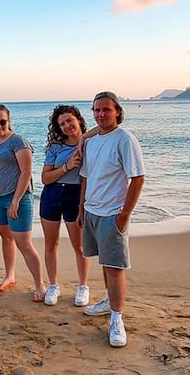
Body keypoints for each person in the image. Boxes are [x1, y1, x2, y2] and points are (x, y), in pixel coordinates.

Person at [77, 91, 145, 348]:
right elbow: (85, 176)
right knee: (105, 263)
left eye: (106, 109)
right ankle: (108, 302)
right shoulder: (92, 141)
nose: (101, 114)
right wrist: (81, 208)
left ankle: (117, 319)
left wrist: (124, 214)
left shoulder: (125, 139)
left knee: (115, 267)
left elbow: (137, 178)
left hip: (112, 213)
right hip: (92, 211)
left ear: (117, 111)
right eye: (96, 110)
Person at [0, 104, 46, 302]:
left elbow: (26, 172)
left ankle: (40, 284)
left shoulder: (18, 141)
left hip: (18, 199)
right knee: (6, 238)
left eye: (2, 121)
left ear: (8, 121)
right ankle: (9, 275)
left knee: (24, 244)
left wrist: (15, 201)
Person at [40, 105, 91, 307]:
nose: (67, 126)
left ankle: (83, 286)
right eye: (62, 124)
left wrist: (82, 205)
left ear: (78, 119)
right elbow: (45, 178)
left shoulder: (90, 144)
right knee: (51, 244)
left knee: (79, 246)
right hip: (52, 194)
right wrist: (67, 166)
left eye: (69, 120)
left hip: (75, 194)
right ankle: (53, 285)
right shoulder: (55, 148)